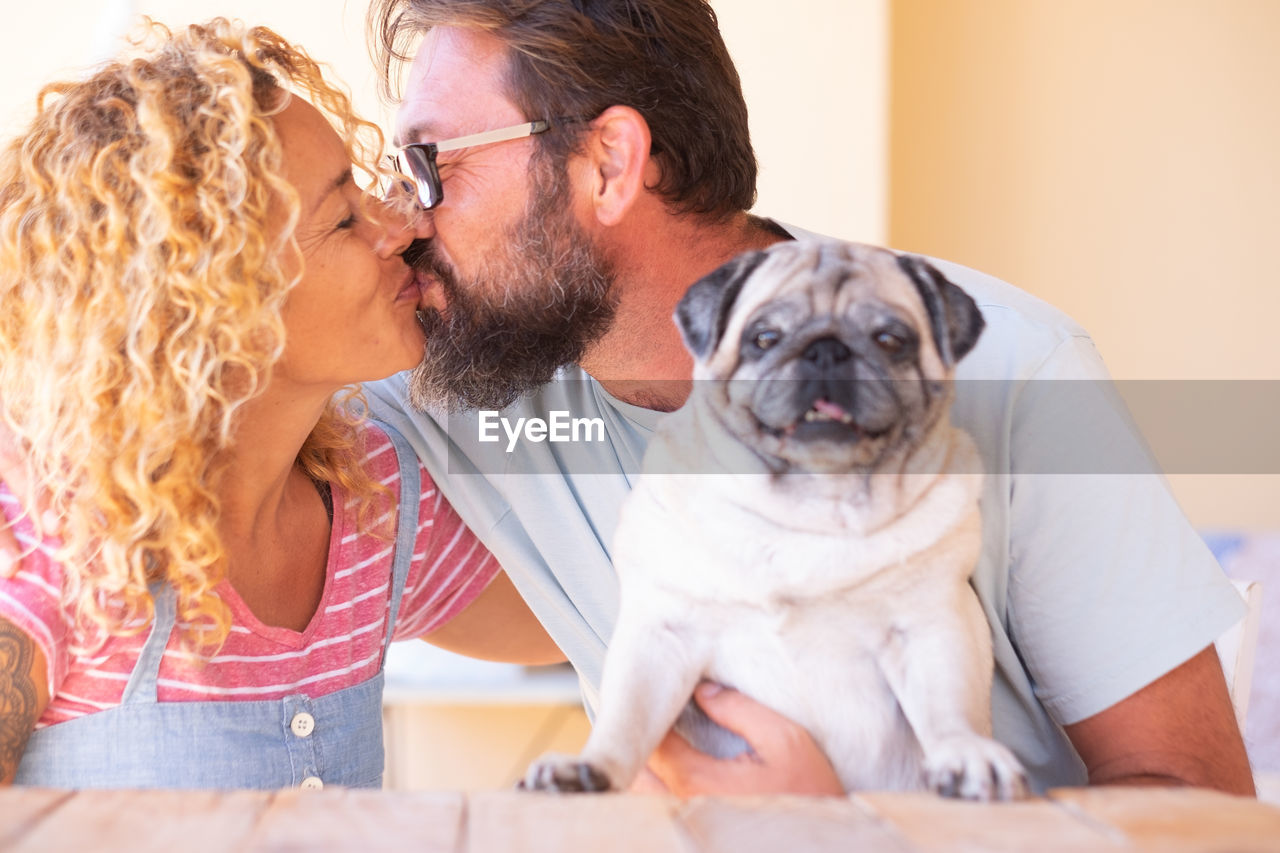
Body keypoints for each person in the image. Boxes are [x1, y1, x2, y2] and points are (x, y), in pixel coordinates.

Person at [356, 0, 1255, 797]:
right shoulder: (465, 372)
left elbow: (1198, 806)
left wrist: (856, 829)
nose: (400, 217)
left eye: (431, 163)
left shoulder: (1014, 372)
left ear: (608, 164)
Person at [0, 18, 558, 789]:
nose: (402, 224)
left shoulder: (375, 506)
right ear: (217, 303)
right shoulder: (42, 539)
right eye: (343, 217)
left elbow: (588, 619)